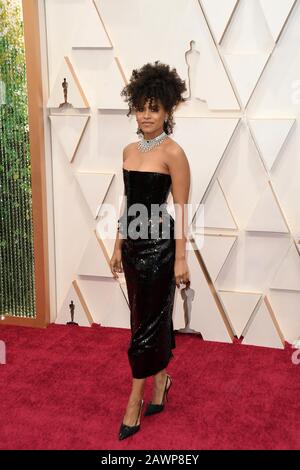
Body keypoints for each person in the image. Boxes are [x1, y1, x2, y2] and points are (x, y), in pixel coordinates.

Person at [110, 61, 191, 440]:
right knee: (144, 319)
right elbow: (128, 203)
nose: (146, 115)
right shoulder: (128, 149)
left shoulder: (173, 153)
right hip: (131, 247)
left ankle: (134, 402)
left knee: (145, 326)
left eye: (154, 108)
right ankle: (161, 382)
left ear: (167, 110)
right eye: (141, 107)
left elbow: (182, 209)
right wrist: (116, 245)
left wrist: (180, 257)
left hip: (160, 250)